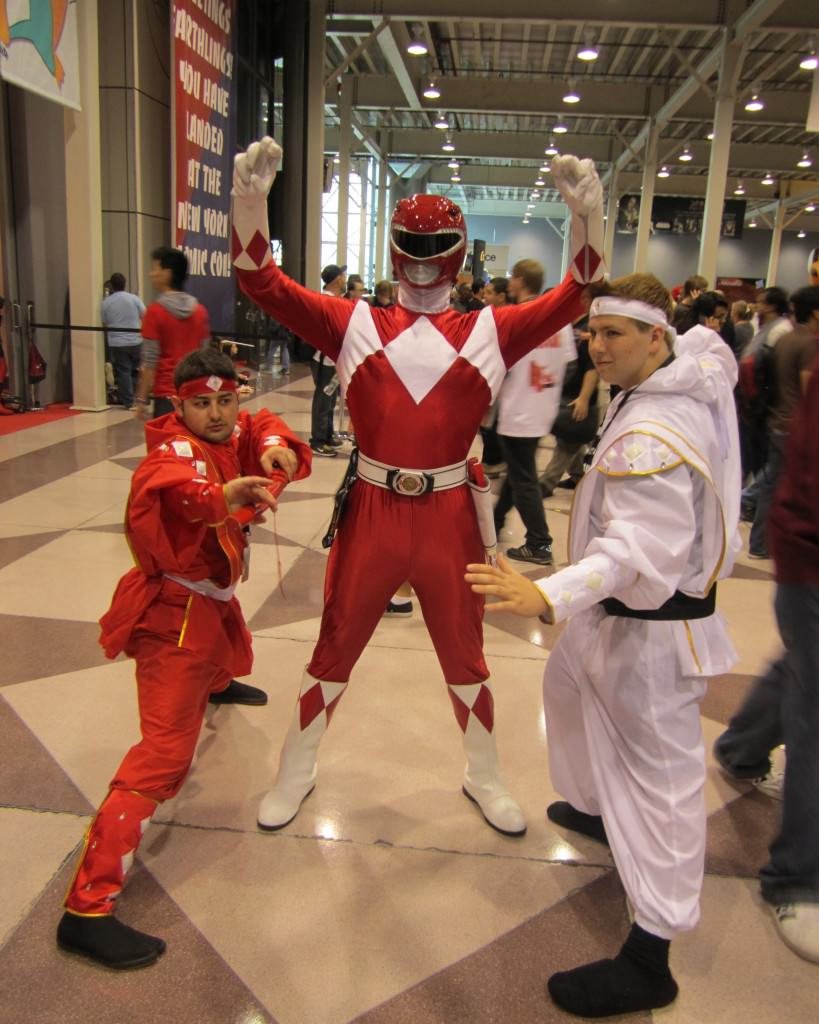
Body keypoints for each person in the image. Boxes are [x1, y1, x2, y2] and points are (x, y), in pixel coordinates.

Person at [231, 135, 604, 837]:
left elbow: (577, 292)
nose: (425, 257)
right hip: (374, 507)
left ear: (458, 251)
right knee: (333, 647)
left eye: (437, 243)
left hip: (447, 516)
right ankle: (297, 769)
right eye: (414, 241)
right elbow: (260, 283)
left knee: (464, 654)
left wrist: (590, 219)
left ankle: (484, 774)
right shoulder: (356, 323)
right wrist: (249, 203)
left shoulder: (489, 329)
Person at [466, 272, 741, 1018]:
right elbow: (717, 350)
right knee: (566, 690)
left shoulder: (652, 433)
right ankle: (593, 806)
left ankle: (649, 955)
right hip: (616, 623)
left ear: (656, 337)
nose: (595, 345)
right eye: (592, 331)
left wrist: (548, 594)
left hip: (647, 633)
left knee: (662, 788)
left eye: (612, 333)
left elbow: (637, 548)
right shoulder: (688, 373)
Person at [56, 348, 311, 970]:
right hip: (173, 614)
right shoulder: (171, 452)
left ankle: (218, 683)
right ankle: (86, 909)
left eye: (227, 399)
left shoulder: (234, 424)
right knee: (163, 756)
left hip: (207, 600)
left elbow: (267, 427)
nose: (219, 413)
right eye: (202, 403)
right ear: (179, 405)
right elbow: (184, 493)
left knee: (222, 640)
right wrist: (224, 494)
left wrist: (276, 447)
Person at [714, 346, 819, 964]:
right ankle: (800, 877)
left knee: (802, 672)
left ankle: (742, 746)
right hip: (810, 559)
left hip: (801, 550)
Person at [493, 259, 575, 566]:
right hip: (542, 407)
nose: (509, 282)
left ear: (519, 281)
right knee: (518, 472)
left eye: (512, 277)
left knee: (523, 477)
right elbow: (569, 364)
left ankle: (539, 542)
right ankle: (495, 521)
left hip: (518, 409)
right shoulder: (558, 321)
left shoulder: (515, 318)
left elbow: (499, 366)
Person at [133, 247, 211, 419]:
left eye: (155, 268)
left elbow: (150, 360)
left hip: (166, 395)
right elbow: (205, 357)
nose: (151, 274)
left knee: (168, 443)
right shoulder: (200, 311)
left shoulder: (155, 312)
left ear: (167, 273)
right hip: (195, 392)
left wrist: (141, 399)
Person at [539, 317, 599, 496]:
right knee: (569, 437)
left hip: (579, 394)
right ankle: (578, 475)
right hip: (564, 391)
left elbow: (592, 368)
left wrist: (584, 398)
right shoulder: (569, 326)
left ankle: (546, 484)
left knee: (568, 441)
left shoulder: (589, 327)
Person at [310, 264, 347, 456]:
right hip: (324, 358)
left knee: (331, 399)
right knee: (323, 400)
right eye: (343, 275)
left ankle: (327, 434)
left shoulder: (333, 300)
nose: (345, 279)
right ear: (337, 279)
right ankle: (317, 439)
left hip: (332, 359)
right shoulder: (327, 301)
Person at [101, 273, 146, 409]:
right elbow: (145, 315)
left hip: (117, 343)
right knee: (136, 370)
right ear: (125, 283)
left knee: (123, 372)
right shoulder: (134, 299)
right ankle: (139, 398)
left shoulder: (106, 303)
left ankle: (129, 401)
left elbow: (104, 321)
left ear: (112, 285)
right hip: (136, 341)